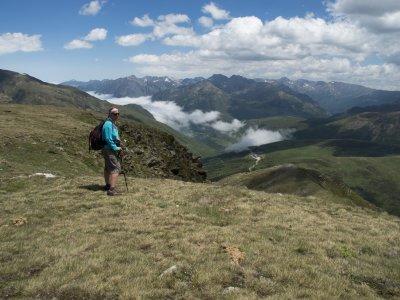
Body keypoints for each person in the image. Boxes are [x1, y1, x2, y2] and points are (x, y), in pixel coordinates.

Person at [102, 107, 123, 196]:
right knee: (116, 168)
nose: (117, 115)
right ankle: (111, 190)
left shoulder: (111, 124)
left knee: (108, 167)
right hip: (109, 149)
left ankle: (107, 185)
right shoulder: (108, 124)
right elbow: (108, 139)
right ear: (110, 114)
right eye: (115, 114)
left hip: (108, 149)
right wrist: (116, 148)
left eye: (118, 113)